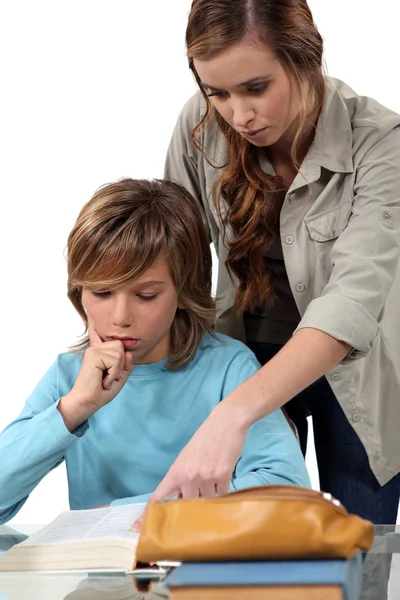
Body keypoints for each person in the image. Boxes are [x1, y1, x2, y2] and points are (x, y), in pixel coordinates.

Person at [134, 0, 400, 529]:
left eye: (256, 88)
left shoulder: (381, 142)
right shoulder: (199, 122)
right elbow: (172, 255)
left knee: (358, 552)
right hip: (240, 360)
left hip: (356, 375)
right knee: (252, 550)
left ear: (306, 61)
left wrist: (232, 416)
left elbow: (351, 301)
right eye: (217, 92)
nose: (237, 115)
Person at [0, 178, 309, 524]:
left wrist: (124, 515)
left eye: (146, 296)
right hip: (104, 575)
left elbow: (285, 489)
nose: (120, 318)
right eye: (101, 293)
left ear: (184, 291)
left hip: (204, 572)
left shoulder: (228, 367)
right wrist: (75, 408)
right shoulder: (69, 376)